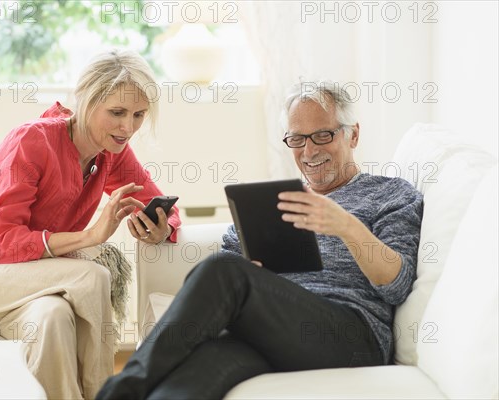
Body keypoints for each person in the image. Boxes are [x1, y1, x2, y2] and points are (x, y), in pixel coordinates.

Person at [97, 81, 424, 399]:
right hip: (275, 331)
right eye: (297, 139)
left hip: (350, 336)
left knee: (225, 269)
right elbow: (221, 282)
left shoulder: (390, 194)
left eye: (323, 135)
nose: (309, 151)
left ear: (353, 134)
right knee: (204, 367)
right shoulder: (281, 200)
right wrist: (163, 235)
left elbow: (396, 284)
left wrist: (347, 227)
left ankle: (119, 391)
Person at [0, 49, 181, 400]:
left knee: (52, 317)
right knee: (92, 275)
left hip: (26, 283)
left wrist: (162, 227)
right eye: (116, 112)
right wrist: (90, 236)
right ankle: (108, 394)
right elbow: (5, 243)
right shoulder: (33, 141)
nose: (127, 127)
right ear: (84, 100)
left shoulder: (112, 152)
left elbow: (163, 205)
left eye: (138, 115)